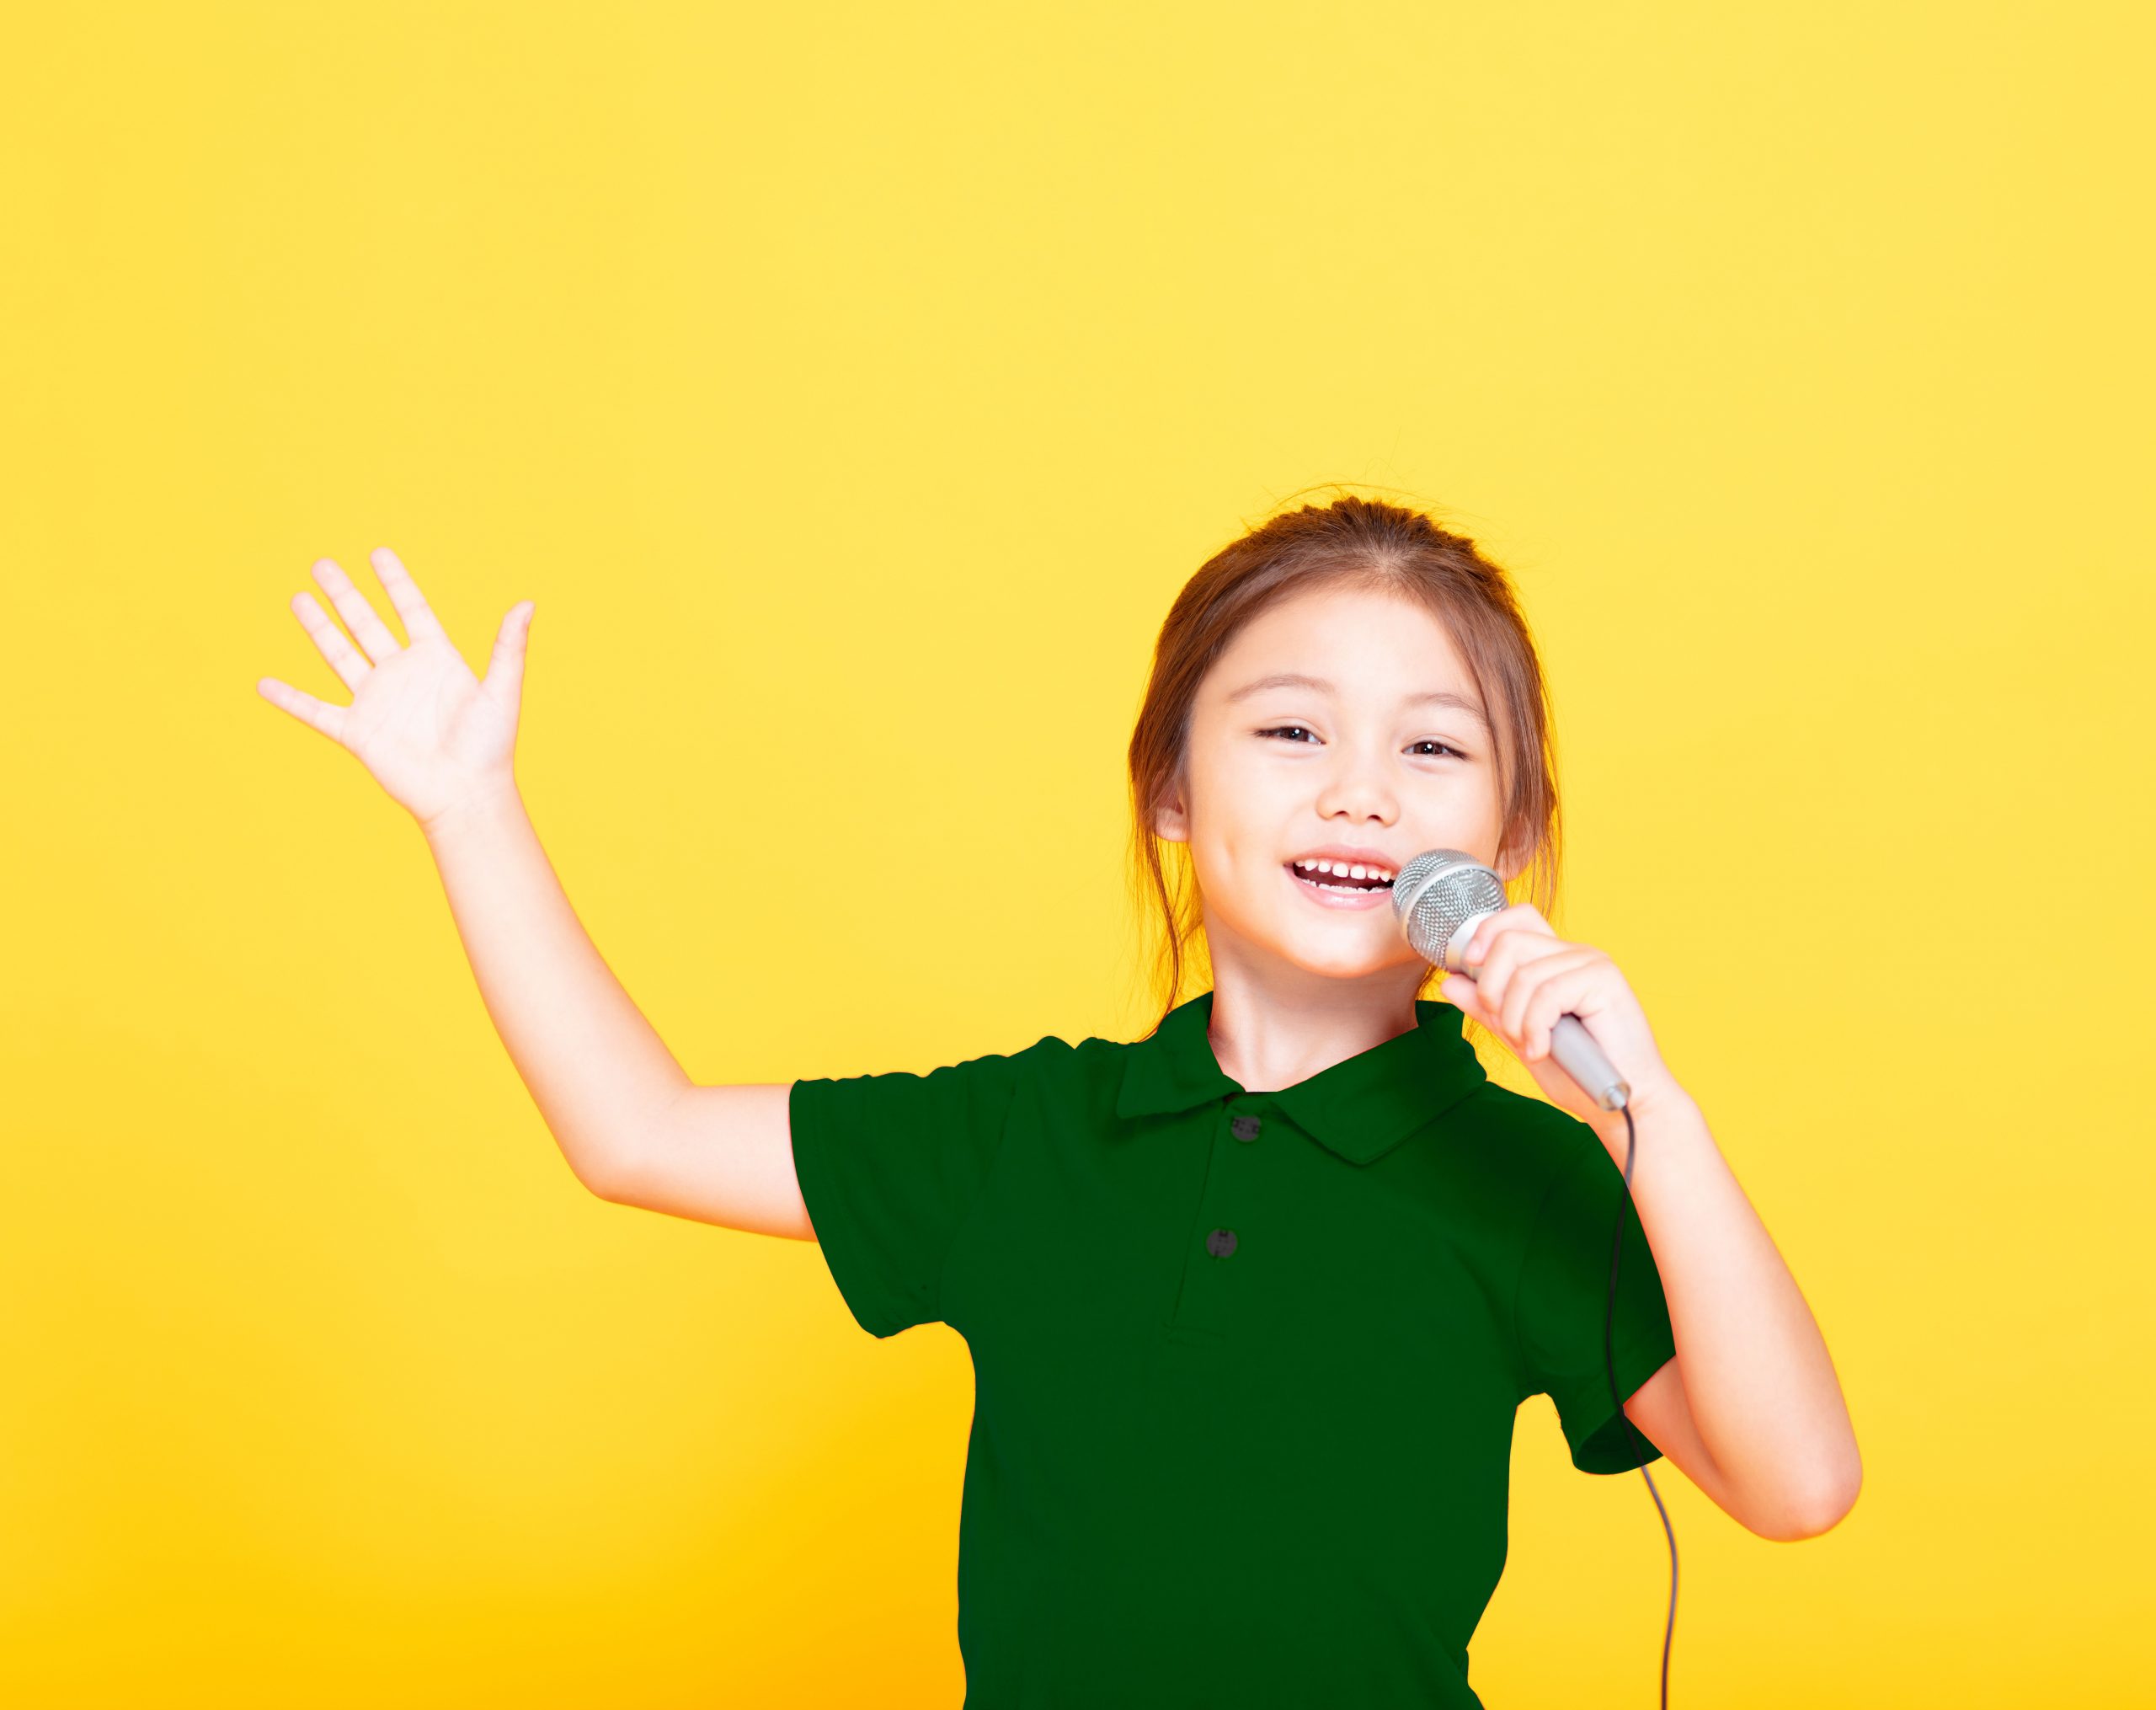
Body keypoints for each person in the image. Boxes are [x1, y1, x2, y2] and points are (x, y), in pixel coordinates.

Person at [257, 494, 1860, 1707]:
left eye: (1433, 747)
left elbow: (1796, 1486)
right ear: (1173, 787)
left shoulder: (1532, 1177)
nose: (1360, 786)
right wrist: (471, 813)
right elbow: (639, 1132)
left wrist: (1655, 1112)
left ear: (1502, 835)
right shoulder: (1025, 1139)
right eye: (1292, 728)